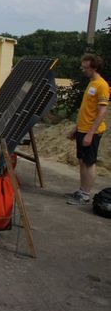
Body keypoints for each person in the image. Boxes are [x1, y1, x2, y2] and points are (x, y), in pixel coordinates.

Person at [66, 53, 109, 205]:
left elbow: (102, 112)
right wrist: (76, 128)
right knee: (82, 161)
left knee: (89, 162)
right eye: (82, 67)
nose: (82, 70)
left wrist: (90, 133)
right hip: (82, 129)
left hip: (92, 131)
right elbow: (87, 110)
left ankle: (85, 194)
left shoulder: (102, 85)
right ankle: (81, 190)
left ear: (94, 68)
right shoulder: (91, 83)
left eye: (85, 68)